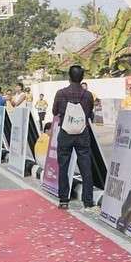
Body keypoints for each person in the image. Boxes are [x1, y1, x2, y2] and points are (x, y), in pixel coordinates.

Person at [52, 65, 94, 210]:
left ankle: (64, 200)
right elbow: (90, 113)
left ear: (69, 77)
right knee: (86, 167)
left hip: (65, 133)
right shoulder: (88, 95)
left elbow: (54, 111)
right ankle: (88, 201)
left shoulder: (60, 93)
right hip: (82, 133)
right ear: (82, 78)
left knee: (63, 166)